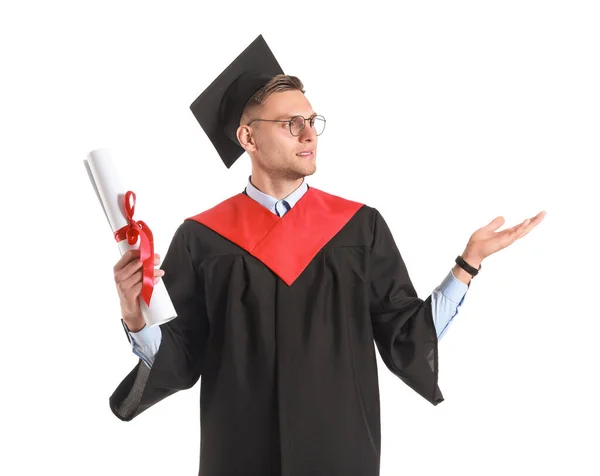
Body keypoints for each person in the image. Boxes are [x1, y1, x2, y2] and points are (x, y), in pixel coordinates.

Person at [109, 35, 546, 476]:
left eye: (312, 121)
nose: (308, 134)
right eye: (290, 123)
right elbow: (182, 359)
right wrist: (135, 316)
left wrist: (467, 264)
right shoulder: (203, 238)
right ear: (248, 137)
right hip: (239, 454)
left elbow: (405, 337)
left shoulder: (358, 228)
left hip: (339, 452)